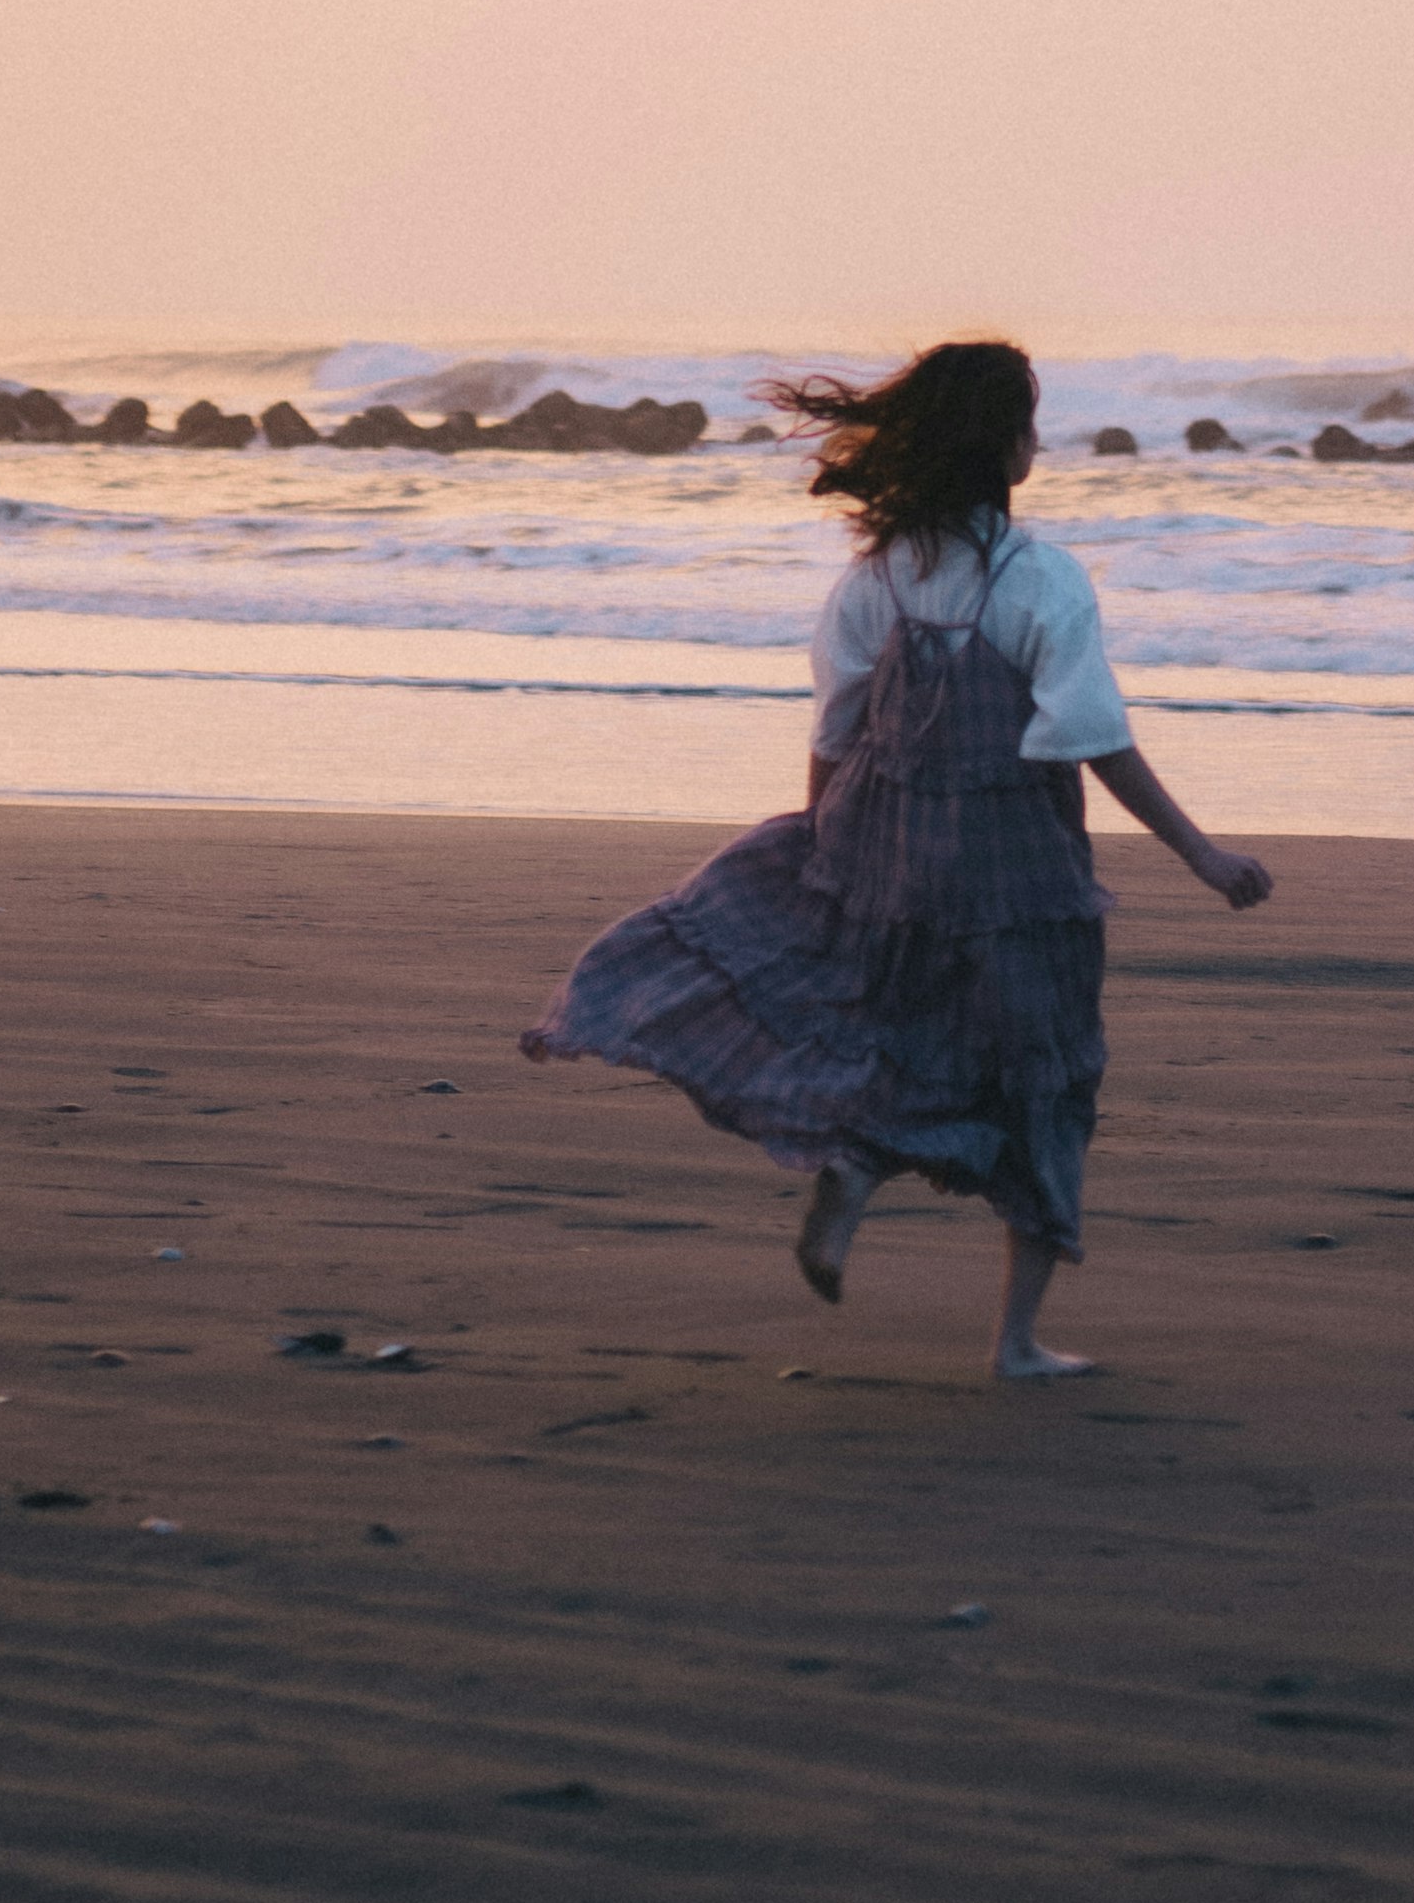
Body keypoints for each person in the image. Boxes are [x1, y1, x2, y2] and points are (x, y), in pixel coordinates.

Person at [521, 336, 1270, 1376]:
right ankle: (1015, 1344)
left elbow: (836, 726)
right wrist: (1202, 853)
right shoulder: (1042, 581)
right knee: (1042, 1074)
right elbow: (1091, 737)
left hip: (891, 851)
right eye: (1031, 421)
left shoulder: (877, 578)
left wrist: (830, 851)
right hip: (1015, 872)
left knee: (893, 1033)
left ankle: (850, 1176)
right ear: (1007, 447)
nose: (1036, 439)